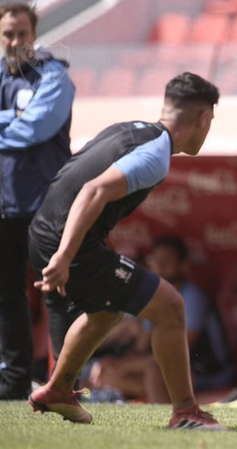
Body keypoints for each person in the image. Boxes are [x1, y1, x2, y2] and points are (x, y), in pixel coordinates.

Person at [27, 72, 224, 430]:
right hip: (66, 241)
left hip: (43, 230)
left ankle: (58, 389)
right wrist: (65, 254)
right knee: (170, 305)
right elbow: (92, 191)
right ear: (203, 118)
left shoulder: (129, 129)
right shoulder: (155, 154)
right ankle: (186, 412)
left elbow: (71, 173)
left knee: (107, 311)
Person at [0, 3, 75, 400]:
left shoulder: (54, 75)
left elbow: (37, 128)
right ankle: (13, 384)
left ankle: (65, 385)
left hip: (45, 208)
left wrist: (10, 122)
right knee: (7, 297)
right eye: (8, 34)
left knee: (58, 294)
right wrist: (11, 117)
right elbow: (21, 126)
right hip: (3, 209)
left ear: (35, 33)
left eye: (22, 34)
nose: (15, 42)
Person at [89, 236, 234, 403]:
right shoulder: (155, 297)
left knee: (152, 371)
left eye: (166, 261)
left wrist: (125, 365)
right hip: (166, 366)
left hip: (206, 371)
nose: (159, 266)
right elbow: (141, 348)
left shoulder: (193, 297)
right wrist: (114, 363)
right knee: (109, 373)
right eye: (155, 261)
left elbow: (178, 353)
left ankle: (169, 423)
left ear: (183, 266)